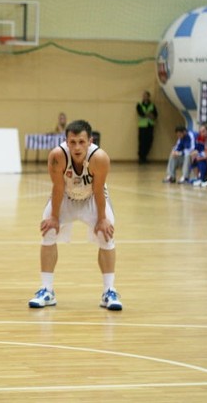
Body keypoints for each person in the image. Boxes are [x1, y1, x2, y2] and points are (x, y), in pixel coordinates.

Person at [28, 120, 122, 311]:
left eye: (81, 142)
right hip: (66, 197)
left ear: (90, 141)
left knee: (107, 233)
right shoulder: (57, 156)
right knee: (48, 230)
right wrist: (54, 217)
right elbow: (57, 187)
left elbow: (98, 190)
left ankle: (109, 291)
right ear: (66, 141)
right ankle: (47, 290)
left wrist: (102, 218)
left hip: (91, 198)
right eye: (72, 142)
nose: (77, 147)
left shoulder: (100, 158)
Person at [136, 90, 158, 164]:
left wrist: (150, 115)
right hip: (142, 126)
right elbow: (141, 113)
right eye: (143, 96)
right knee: (142, 142)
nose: (144, 97)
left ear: (149, 97)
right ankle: (141, 158)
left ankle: (145, 157)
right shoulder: (139, 104)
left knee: (149, 141)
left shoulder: (152, 105)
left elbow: (155, 115)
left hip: (150, 125)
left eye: (146, 96)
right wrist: (149, 114)